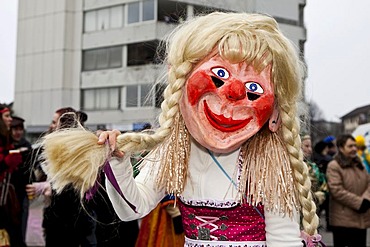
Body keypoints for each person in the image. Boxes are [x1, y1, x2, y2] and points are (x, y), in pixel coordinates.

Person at [40, 12, 323, 246]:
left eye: (253, 88)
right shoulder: (175, 153)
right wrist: (118, 158)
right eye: (220, 74)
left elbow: (283, 240)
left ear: (274, 112)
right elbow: (132, 208)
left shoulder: (268, 164)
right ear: (180, 86)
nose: (235, 92)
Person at [26, 107, 97, 247]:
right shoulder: (52, 149)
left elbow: (74, 186)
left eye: (55, 122)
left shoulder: (78, 151)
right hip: (55, 219)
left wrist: (48, 187)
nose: (52, 126)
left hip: (74, 221)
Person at [326, 134, 370, 247]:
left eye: (355, 146)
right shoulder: (334, 166)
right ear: (341, 148)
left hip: (361, 219)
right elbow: (336, 190)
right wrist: (359, 203)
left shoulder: (359, 164)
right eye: (350, 146)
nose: (354, 149)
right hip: (343, 222)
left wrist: (366, 199)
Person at [0, 105, 25, 247]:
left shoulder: (7, 138)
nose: (10, 119)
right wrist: (6, 162)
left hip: (8, 197)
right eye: (7, 116)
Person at [10, 116, 33, 244]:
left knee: (22, 221)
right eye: (15, 129)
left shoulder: (27, 145)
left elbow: (31, 169)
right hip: (8, 191)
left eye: (20, 129)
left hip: (23, 191)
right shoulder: (6, 145)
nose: (18, 132)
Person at [301, 135, 328, 210]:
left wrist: (319, 197)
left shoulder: (313, 167)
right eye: (306, 146)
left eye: (310, 146)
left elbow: (324, 186)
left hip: (313, 211)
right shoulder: (288, 167)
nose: (310, 150)